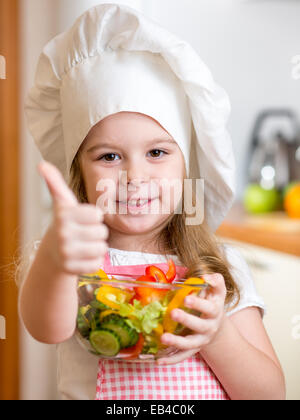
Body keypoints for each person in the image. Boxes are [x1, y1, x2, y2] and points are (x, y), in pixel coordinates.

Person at [17, 4, 285, 400]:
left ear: (186, 166)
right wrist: (57, 259)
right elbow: (45, 327)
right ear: (81, 176)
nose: (136, 178)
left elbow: (270, 394)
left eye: (157, 153)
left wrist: (217, 335)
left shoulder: (220, 269)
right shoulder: (70, 262)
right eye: (109, 156)